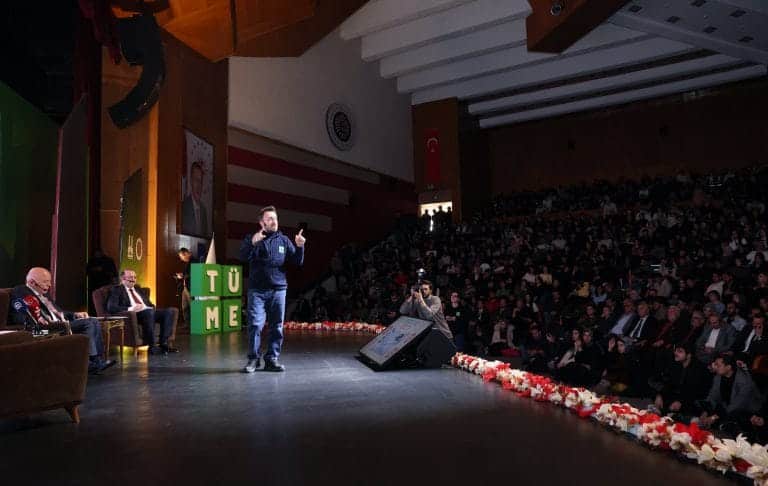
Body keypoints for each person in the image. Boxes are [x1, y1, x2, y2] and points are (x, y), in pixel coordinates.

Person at [9, 267, 115, 374]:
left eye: (49, 282)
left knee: (92, 320)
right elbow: (22, 313)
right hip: (41, 329)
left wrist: (75, 314)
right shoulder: (21, 290)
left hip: (60, 324)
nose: (49, 285)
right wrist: (38, 318)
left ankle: (97, 360)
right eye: (45, 282)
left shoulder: (44, 295)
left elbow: (60, 312)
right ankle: (90, 363)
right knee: (89, 323)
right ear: (32, 282)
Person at [239, 205, 305, 373]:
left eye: (275, 218)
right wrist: (253, 244)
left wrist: (299, 247)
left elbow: (297, 261)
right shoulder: (252, 238)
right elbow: (242, 256)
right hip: (257, 291)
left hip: (279, 290)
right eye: (269, 219)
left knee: (276, 326)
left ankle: (272, 359)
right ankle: (253, 360)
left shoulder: (283, 240)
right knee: (255, 325)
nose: (274, 221)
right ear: (262, 222)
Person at [106, 270, 179, 355]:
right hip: (135, 315)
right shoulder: (117, 290)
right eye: (130, 277)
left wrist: (151, 307)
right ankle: (152, 346)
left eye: (135, 277)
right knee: (149, 312)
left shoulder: (138, 289)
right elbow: (111, 307)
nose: (133, 279)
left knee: (169, 312)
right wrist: (131, 308)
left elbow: (150, 304)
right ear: (123, 279)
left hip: (148, 311)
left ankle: (164, 344)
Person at [181, 161, 210, 237]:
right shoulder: (183, 207)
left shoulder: (203, 210)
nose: (199, 185)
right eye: (196, 180)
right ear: (191, 181)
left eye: (200, 181)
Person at [175, 247, 192, 326]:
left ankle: (192, 324)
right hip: (185, 287)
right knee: (184, 306)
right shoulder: (187, 263)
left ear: (186, 254)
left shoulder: (194, 261)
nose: (181, 259)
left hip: (191, 288)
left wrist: (183, 276)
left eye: (181, 257)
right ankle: (187, 324)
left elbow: (193, 274)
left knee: (192, 306)